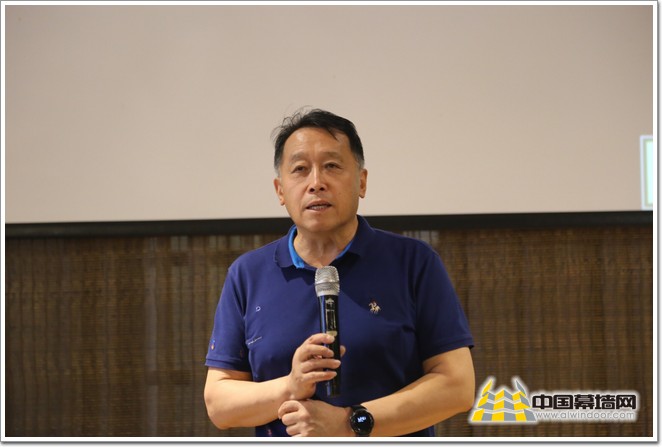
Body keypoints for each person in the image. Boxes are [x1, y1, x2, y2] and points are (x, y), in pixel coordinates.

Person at [204, 108, 475, 437]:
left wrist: (350, 423)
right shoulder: (247, 274)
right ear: (280, 190)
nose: (316, 183)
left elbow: (457, 386)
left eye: (331, 166)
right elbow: (219, 403)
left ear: (361, 181)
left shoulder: (414, 262)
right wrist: (290, 386)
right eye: (300, 169)